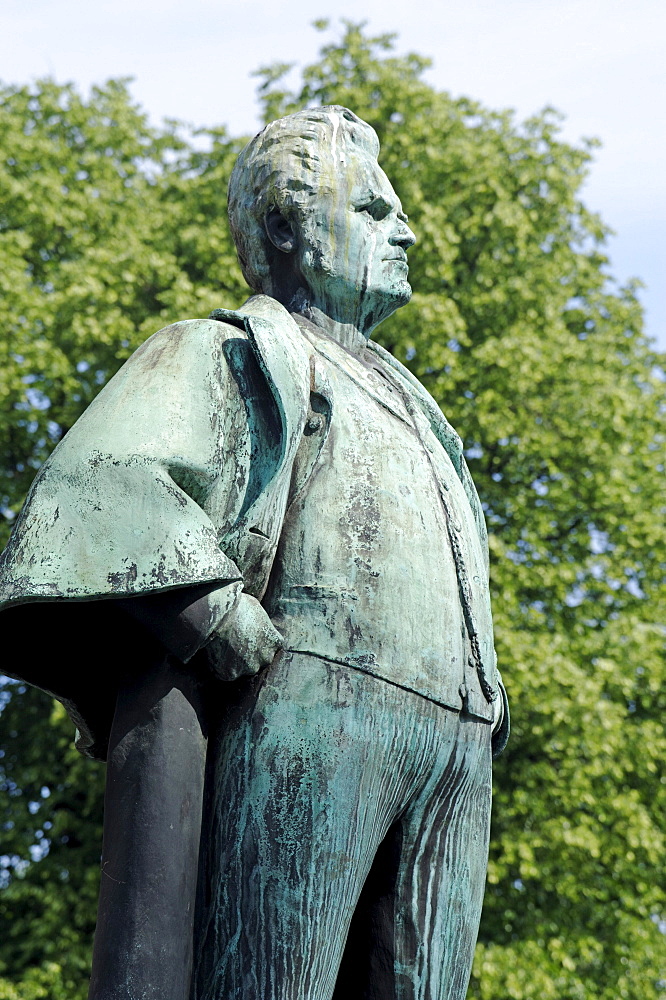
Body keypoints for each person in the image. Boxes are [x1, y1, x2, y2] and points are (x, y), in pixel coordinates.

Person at [0, 106, 508, 1000]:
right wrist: (205, 609)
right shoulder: (230, 351)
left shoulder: (421, 405)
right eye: (376, 211)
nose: (407, 229)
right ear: (288, 226)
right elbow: (97, 485)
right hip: (312, 708)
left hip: (456, 741)